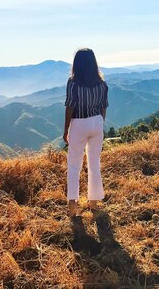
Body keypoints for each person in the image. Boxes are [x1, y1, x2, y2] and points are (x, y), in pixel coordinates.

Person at [64, 48, 109, 216]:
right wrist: (99, 123)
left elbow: (70, 106)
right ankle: (94, 202)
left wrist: (66, 129)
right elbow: (104, 106)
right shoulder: (102, 84)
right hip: (97, 122)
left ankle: (73, 206)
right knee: (94, 163)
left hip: (79, 123)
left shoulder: (73, 82)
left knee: (74, 164)